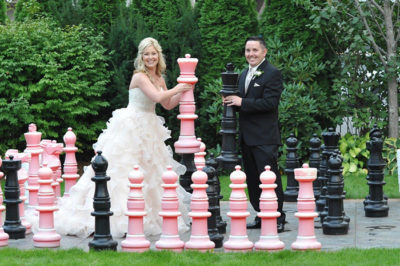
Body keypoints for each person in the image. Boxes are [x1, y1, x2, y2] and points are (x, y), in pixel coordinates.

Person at [27, 37, 193, 238]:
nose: (150, 57)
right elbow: (157, 97)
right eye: (146, 54)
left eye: (153, 53)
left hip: (150, 127)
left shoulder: (159, 78)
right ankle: (118, 217)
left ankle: (149, 215)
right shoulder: (139, 76)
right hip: (132, 125)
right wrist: (179, 87)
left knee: (150, 171)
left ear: (159, 55)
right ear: (141, 57)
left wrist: (185, 90)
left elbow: (167, 104)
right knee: (124, 170)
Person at [223, 36, 285, 232]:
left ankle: (277, 218)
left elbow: (270, 103)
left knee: (270, 179)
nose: (251, 54)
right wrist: (232, 101)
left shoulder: (272, 73)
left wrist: (242, 102)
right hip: (247, 137)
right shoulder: (243, 74)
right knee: (252, 179)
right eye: (248, 50)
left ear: (264, 52)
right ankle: (261, 214)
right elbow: (245, 103)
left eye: (255, 50)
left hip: (265, 137)